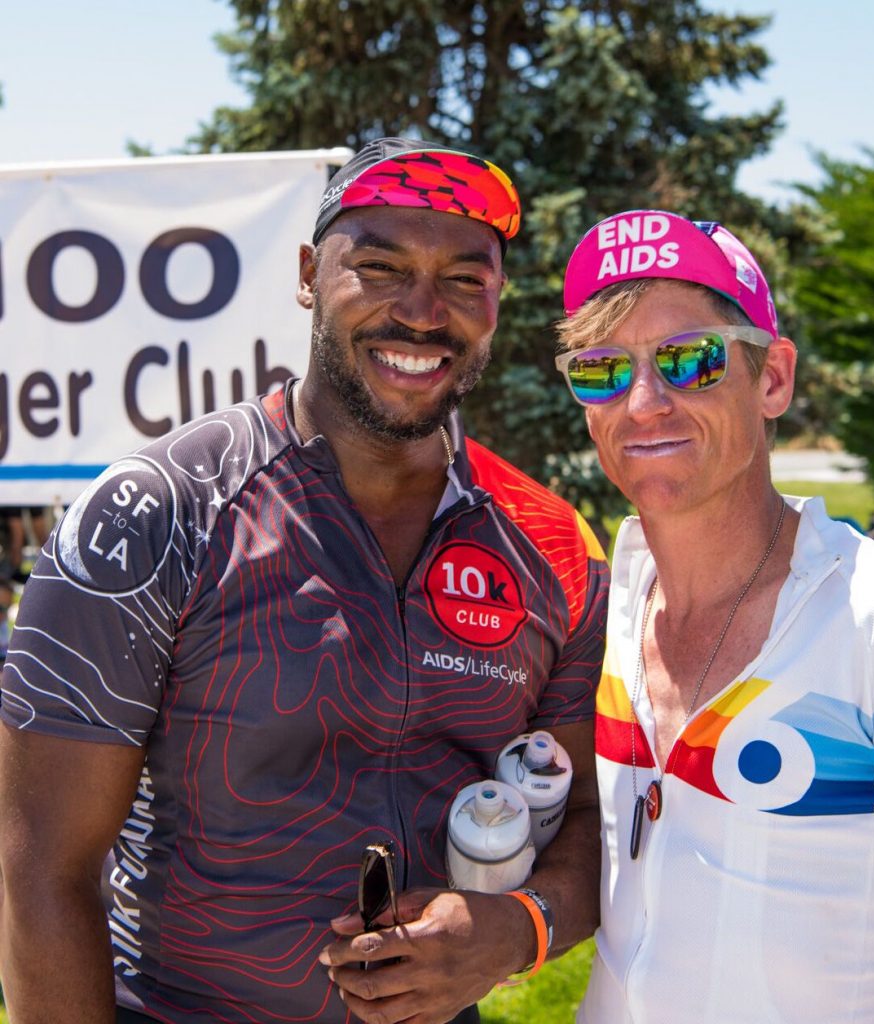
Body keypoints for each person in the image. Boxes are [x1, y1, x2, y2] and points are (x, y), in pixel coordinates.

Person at [0, 139, 609, 1024]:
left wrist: (518, 929)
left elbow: (594, 819)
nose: (422, 311)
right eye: (378, 266)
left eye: (464, 280)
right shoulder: (156, 512)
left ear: (497, 299)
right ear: (305, 274)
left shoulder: (554, 548)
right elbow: (42, 870)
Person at [553, 209, 874, 1023]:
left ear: (771, 378)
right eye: (602, 369)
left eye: (690, 360)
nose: (642, 402)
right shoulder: (603, 612)